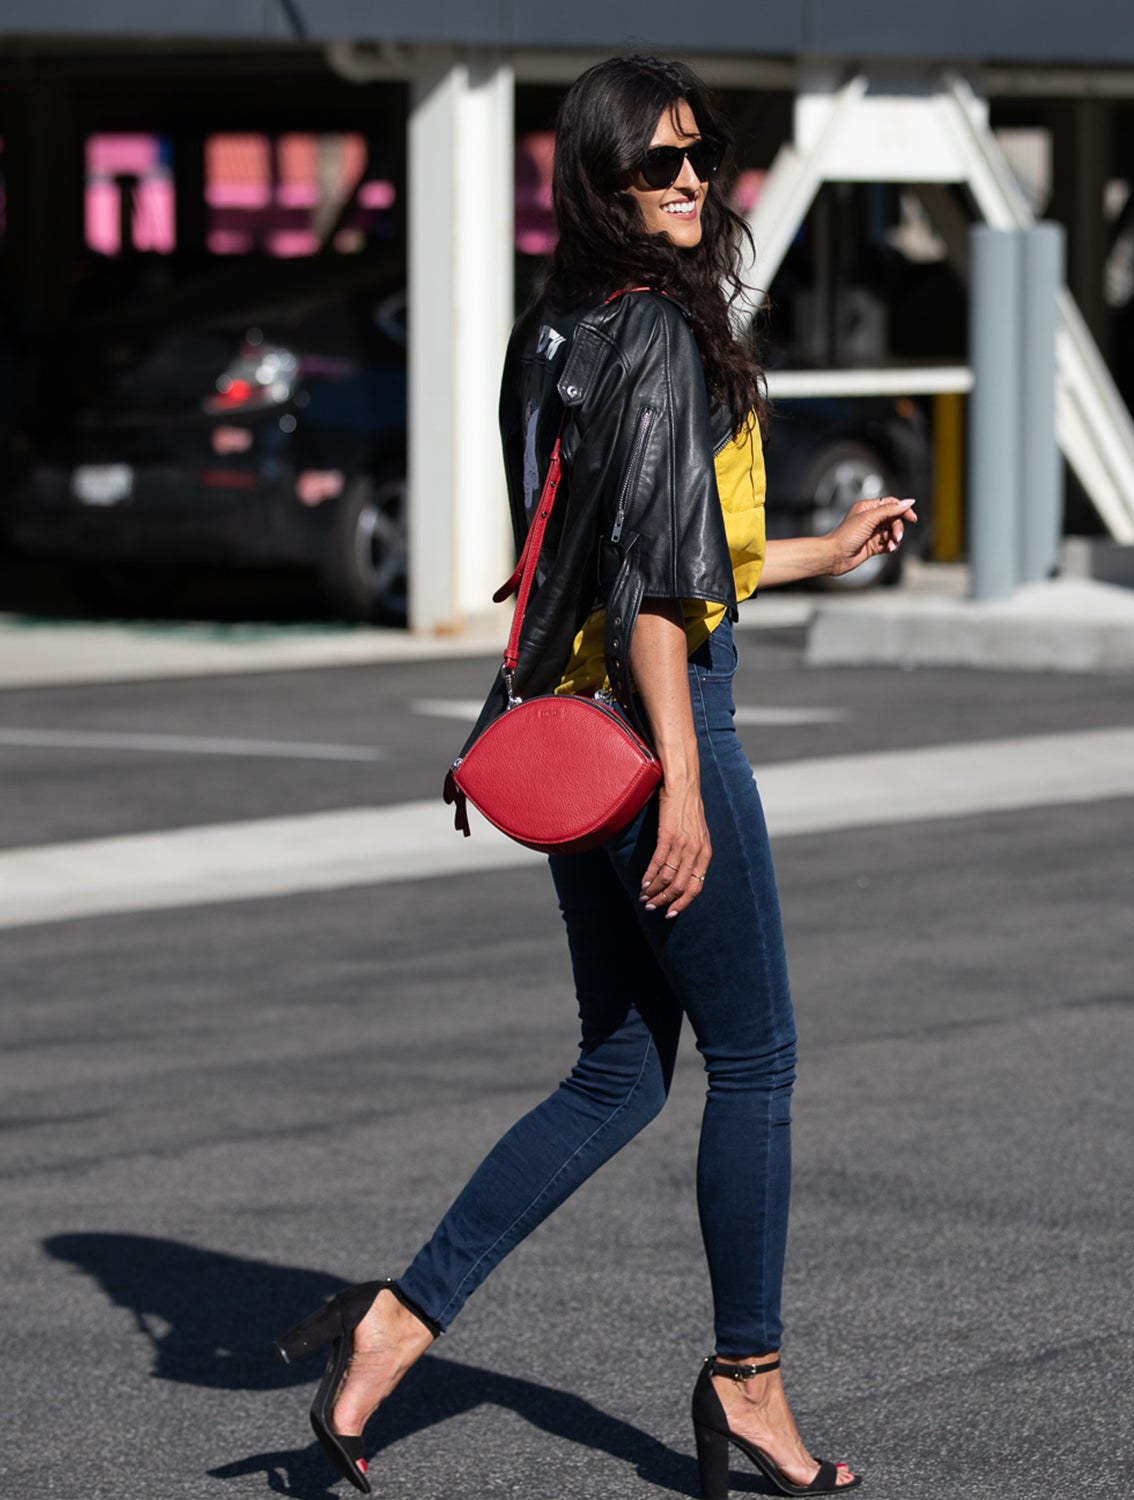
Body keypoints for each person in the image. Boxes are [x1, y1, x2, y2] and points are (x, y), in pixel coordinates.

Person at [274, 54, 915, 1498]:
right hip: (656, 727)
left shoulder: (555, 328)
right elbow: (648, 593)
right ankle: (747, 1379)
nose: (690, 181)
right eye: (658, 164)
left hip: (571, 736)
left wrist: (819, 550)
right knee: (754, 1061)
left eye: (703, 155)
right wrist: (686, 782)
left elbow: (624, 552)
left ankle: (388, 1328)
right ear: (601, 180)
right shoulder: (662, 341)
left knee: (621, 1071)